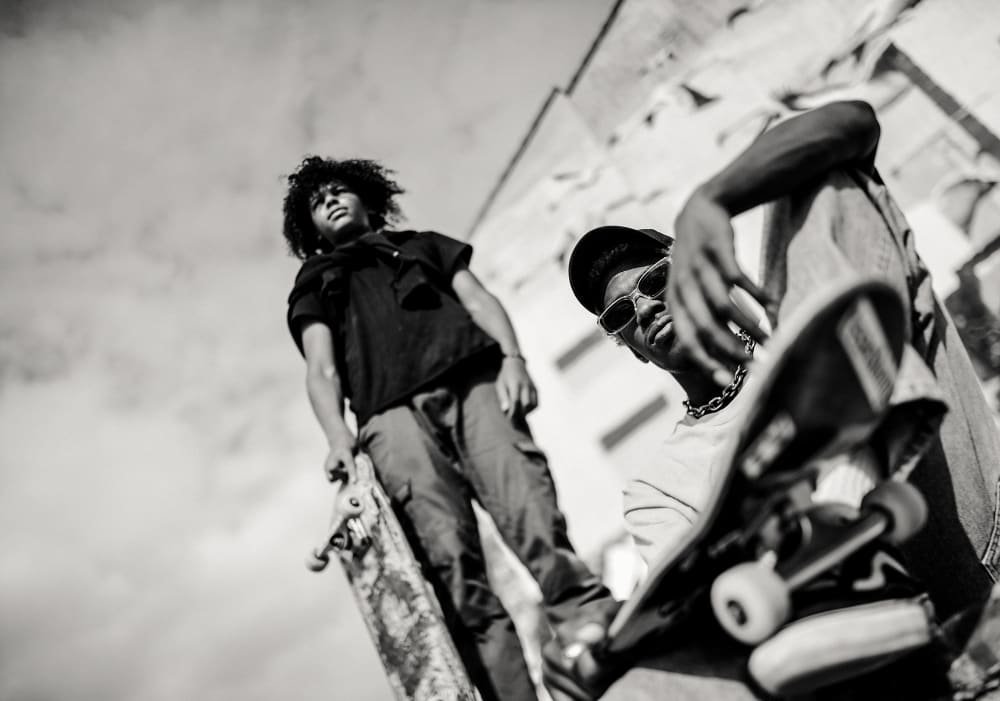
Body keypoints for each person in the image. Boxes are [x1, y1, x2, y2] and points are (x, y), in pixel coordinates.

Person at [554, 100, 1000, 698]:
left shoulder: (806, 311)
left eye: (657, 280)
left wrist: (710, 200)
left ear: (697, 270)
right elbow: (696, 621)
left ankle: (842, 488)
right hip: (838, 641)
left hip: (960, 540)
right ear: (631, 348)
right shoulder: (655, 489)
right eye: (620, 313)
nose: (645, 307)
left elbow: (855, 122)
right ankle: (834, 551)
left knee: (821, 187)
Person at [281, 156, 616, 701]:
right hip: (391, 421)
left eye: (341, 192)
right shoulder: (316, 280)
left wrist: (514, 359)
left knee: (532, 512)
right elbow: (320, 369)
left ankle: (593, 634)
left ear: (369, 198)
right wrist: (338, 439)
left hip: (474, 387)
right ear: (311, 226)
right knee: (453, 570)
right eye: (319, 203)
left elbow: (480, 299)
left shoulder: (424, 244)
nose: (332, 203)